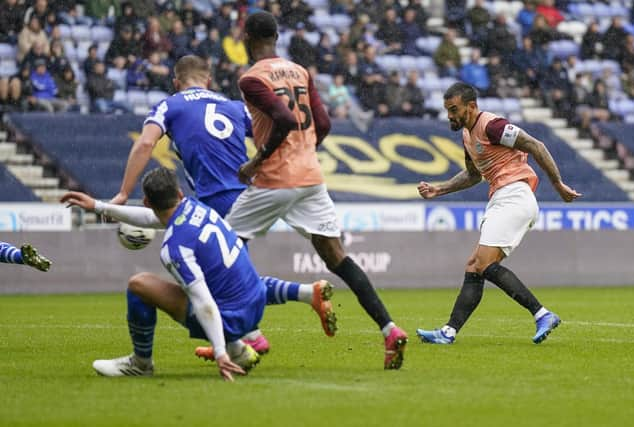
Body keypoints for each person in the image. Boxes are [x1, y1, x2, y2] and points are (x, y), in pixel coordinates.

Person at [109, 55, 336, 353]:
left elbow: (146, 143)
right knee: (232, 275)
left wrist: (124, 193)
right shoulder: (233, 107)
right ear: (209, 80)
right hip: (245, 196)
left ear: (176, 83)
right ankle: (295, 302)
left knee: (215, 280)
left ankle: (245, 341)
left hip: (212, 199)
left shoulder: (171, 104)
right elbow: (273, 135)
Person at [228, 11, 408, 370]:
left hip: (274, 180)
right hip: (310, 179)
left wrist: (256, 161)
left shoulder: (250, 79)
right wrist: (305, 150)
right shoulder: (300, 72)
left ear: (248, 38)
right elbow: (322, 122)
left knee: (223, 249)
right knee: (337, 257)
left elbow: (282, 118)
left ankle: (243, 339)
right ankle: (389, 329)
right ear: (277, 37)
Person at [416, 83, 581, 345]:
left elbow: (535, 145)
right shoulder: (468, 135)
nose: (449, 115)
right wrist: (440, 189)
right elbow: (473, 175)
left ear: (471, 106)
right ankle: (448, 332)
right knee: (475, 267)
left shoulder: (492, 126)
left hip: (514, 195)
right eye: (447, 110)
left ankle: (542, 314)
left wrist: (558, 184)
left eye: (454, 109)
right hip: (502, 198)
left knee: (482, 264)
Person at [61, 168, 262, 380]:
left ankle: (141, 364)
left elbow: (203, 302)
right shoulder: (196, 207)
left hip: (233, 319)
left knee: (139, 286)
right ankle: (238, 349)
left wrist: (219, 352)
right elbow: (151, 218)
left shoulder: (174, 249)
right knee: (213, 283)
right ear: (179, 193)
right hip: (257, 303)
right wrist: (98, 206)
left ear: (147, 201)